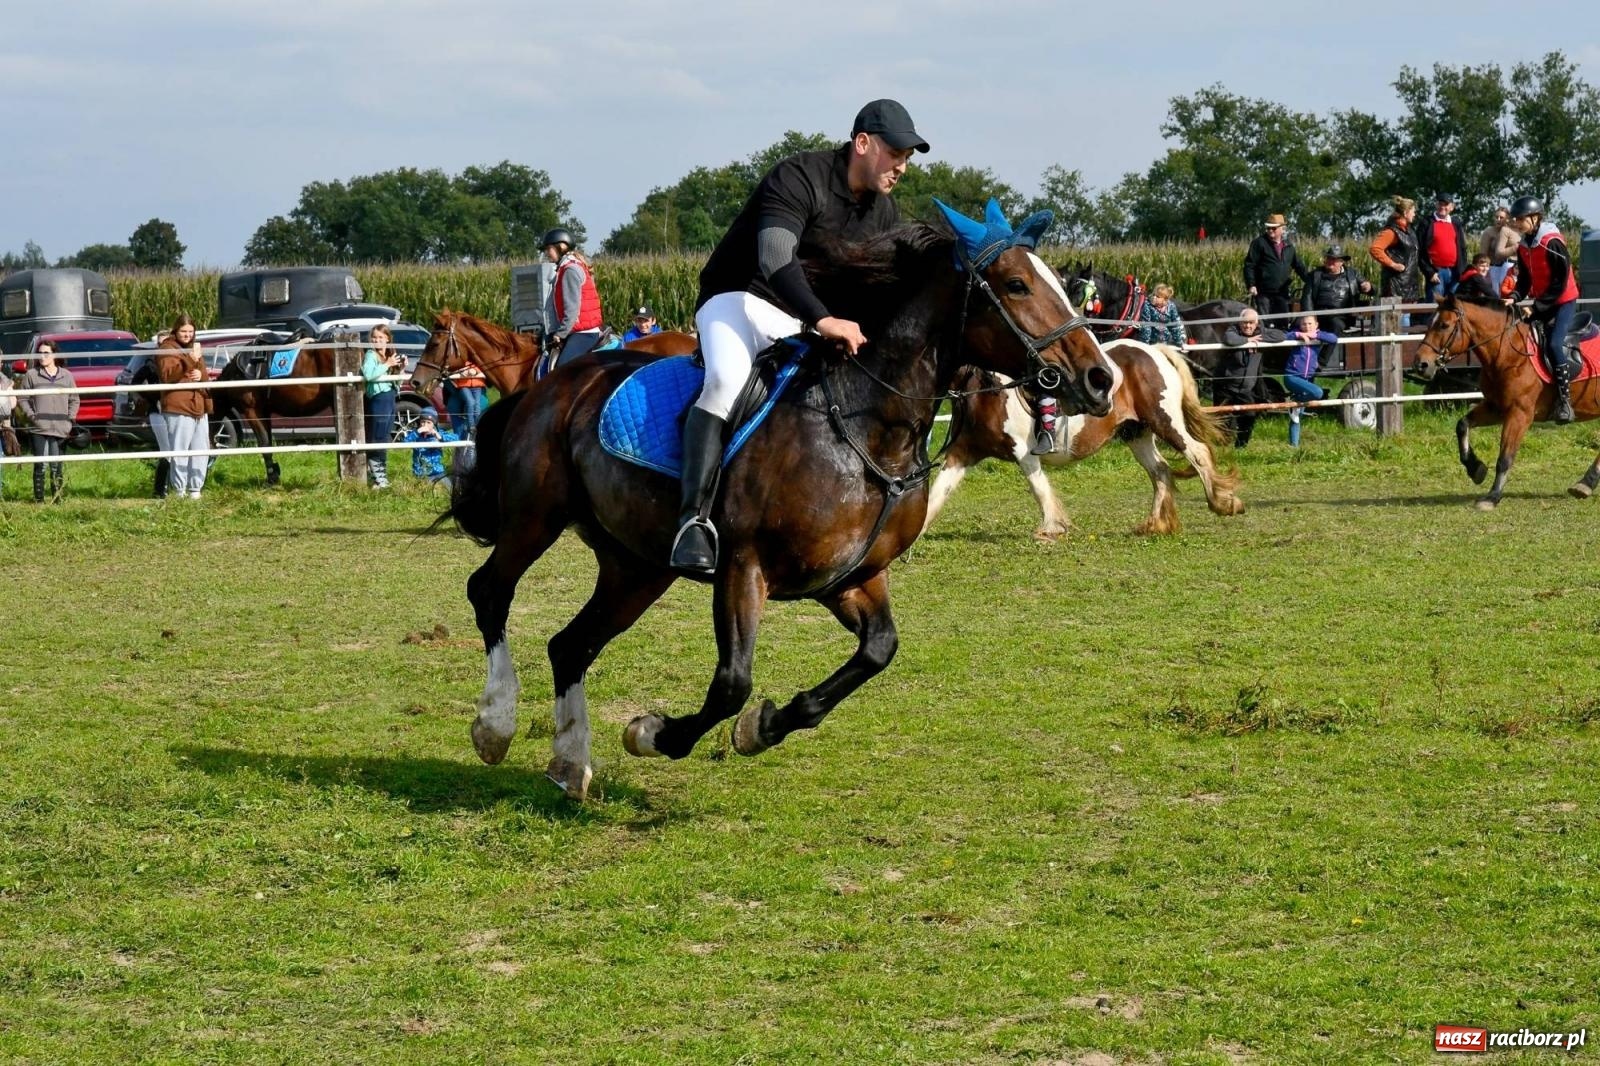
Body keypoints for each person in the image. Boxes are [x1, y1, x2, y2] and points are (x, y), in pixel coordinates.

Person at [672, 97, 930, 572]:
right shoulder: (798, 177)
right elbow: (774, 258)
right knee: (727, 380)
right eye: (896, 154)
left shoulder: (884, 214)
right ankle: (692, 522)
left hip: (801, 319)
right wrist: (824, 320)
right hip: (738, 300)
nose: (903, 167)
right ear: (863, 143)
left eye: (908, 158)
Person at [1509, 195, 1580, 424]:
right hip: (1543, 302)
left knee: (1553, 343)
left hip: (1563, 301)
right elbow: (1525, 280)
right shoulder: (1523, 245)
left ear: (1535, 217)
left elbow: (1560, 283)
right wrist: (1514, 297)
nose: (1517, 223)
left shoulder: (1551, 242)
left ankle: (1565, 401)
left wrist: (1537, 308)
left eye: (1521, 219)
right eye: (1516, 219)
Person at [153, 314, 213, 499]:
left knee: (201, 449)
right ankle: (179, 491)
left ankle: (195, 489)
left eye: (190, 331)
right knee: (180, 449)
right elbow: (168, 374)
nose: (187, 335)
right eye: (183, 331)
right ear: (176, 330)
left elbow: (204, 374)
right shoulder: (167, 348)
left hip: (199, 405)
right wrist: (190, 361)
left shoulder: (195, 348)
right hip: (179, 406)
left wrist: (199, 375)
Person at [16, 342, 79, 502]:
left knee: (56, 466)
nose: (42, 356)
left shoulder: (67, 375)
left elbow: (74, 399)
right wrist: (32, 416)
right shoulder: (31, 375)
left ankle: (57, 499)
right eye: (40, 353)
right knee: (41, 465)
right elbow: (23, 398)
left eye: (46, 352)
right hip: (39, 428)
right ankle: (39, 500)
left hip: (60, 427)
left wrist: (70, 420)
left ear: (54, 354)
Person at [1216, 307, 1285, 448]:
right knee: (1223, 420)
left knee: (1249, 416)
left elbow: (1280, 336)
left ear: (1257, 323)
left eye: (1251, 323)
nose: (1248, 326)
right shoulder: (1233, 330)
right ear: (1239, 323)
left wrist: (1258, 339)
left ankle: (1241, 447)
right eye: (1245, 322)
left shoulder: (1261, 332)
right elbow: (1229, 339)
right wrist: (1248, 340)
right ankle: (1221, 449)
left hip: (1246, 388)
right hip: (1225, 386)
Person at [1301, 245, 1372, 369]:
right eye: (1328, 258)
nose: (1330, 261)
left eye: (1333, 259)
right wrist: (1309, 317)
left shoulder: (1353, 274)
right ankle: (1300, 363)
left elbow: (1370, 289)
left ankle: (1320, 362)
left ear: (1341, 262)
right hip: (1318, 315)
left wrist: (1368, 287)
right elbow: (1307, 297)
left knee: (1336, 325)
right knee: (1299, 327)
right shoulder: (1315, 274)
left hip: (1341, 316)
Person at [541, 228, 604, 367]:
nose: (547, 253)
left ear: (561, 247)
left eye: (549, 249)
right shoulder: (568, 267)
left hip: (584, 333)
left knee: (562, 370)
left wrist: (561, 333)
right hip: (576, 330)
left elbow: (572, 309)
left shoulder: (570, 270)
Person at [1282, 315, 1338, 447]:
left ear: (1316, 325)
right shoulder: (1296, 335)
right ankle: (1296, 402)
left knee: (1297, 414)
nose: (1307, 327)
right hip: (1292, 377)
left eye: (1310, 324)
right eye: (1304, 324)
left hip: (1307, 379)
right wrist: (1298, 335)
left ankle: (1293, 446)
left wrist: (1316, 335)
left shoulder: (1318, 335)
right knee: (1318, 393)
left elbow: (1333, 338)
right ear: (1300, 326)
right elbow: (1284, 336)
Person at [361, 322, 406, 488]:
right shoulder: (371, 356)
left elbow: (397, 383)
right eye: (374, 337)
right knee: (377, 438)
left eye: (380, 337)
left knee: (384, 438)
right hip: (379, 399)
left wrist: (400, 369)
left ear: (388, 339)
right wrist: (387, 364)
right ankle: (379, 480)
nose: (377, 340)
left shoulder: (390, 355)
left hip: (390, 398)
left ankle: (380, 478)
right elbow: (369, 374)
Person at [1242, 213, 1310, 322]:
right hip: (1263, 292)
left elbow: (1298, 266)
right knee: (1265, 322)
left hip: (1282, 292)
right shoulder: (1259, 243)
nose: (1270, 230)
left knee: (1283, 321)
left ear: (1282, 229)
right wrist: (1251, 284)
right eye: (1268, 228)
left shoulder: (1289, 246)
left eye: (1273, 228)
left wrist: (1310, 281)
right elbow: (1249, 265)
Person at [1369, 196, 1420, 326]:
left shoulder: (1409, 230)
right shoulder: (1391, 231)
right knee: (1399, 321)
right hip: (1396, 284)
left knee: (1405, 318)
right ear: (1406, 212)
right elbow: (1375, 249)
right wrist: (1392, 264)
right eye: (1413, 211)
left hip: (1407, 283)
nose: (1414, 214)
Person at [1418, 192, 1468, 301]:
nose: (1442, 207)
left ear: (1452, 207)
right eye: (1440, 204)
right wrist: (1429, 272)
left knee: (1453, 308)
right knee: (1434, 307)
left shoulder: (1456, 223)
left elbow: (1462, 249)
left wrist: (1462, 271)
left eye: (1446, 205)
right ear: (1436, 205)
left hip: (1454, 272)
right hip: (1437, 273)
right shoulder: (1427, 222)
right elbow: (1420, 250)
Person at [402, 406, 459, 489]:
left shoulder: (438, 433)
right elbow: (405, 442)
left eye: (429, 422)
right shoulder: (416, 434)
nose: (425, 425)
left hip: (438, 472)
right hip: (421, 474)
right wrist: (417, 432)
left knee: (450, 489)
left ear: (434, 424)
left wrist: (440, 437)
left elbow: (456, 438)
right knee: (423, 491)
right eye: (423, 422)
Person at [1479, 205, 1520, 297]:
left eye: (1501, 217)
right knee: (1496, 295)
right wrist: (1484, 271)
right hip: (1493, 268)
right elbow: (1483, 254)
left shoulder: (1510, 231)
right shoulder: (1489, 232)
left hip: (1508, 267)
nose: (1498, 219)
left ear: (1507, 219)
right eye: (1496, 217)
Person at [444, 359, 487, 440]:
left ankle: (475, 427)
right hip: (456, 405)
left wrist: (475, 371)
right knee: (459, 435)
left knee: (477, 406)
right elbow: (446, 377)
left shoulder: (479, 360)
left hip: (475, 400)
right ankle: (471, 427)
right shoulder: (457, 362)